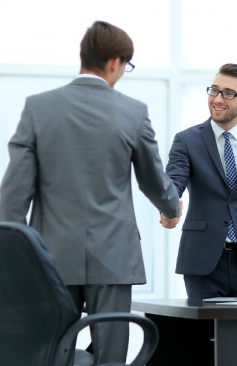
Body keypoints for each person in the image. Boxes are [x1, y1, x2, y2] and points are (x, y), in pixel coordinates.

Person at [0, 21, 181, 364]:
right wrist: (172, 207)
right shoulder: (133, 111)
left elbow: (12, 198)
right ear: (114, 62)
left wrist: (17, 265)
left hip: (48, 261)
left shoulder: (38, 108)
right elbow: (153, 180)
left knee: (47, 353)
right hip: (113, 259)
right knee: (111, 358)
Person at [161, 63, 237, 300]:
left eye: (228, 93)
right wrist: (169, 205)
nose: (217, 99)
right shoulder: (187, 140)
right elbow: (174, 181)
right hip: (202, 260)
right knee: (203, 336)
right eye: (214, 90)